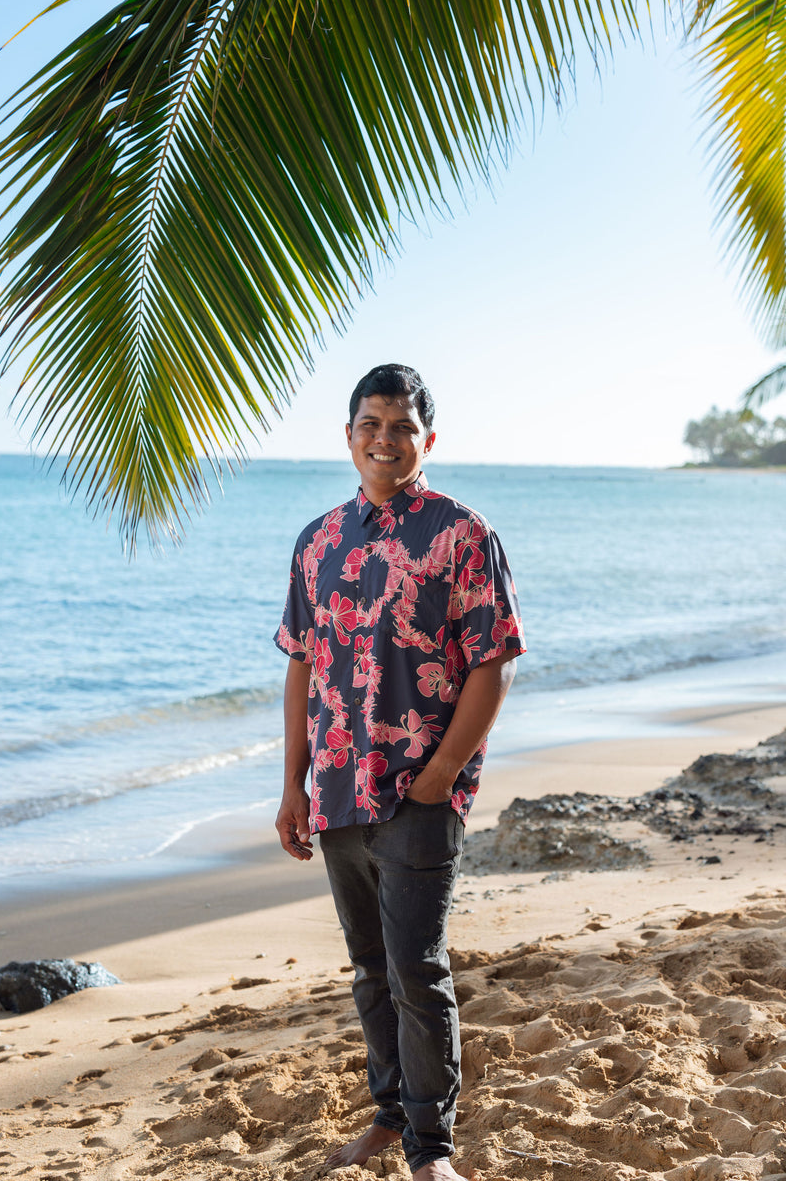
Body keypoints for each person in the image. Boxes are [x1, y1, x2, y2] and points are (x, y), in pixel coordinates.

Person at [274, 363, 525, 1180]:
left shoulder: (462, 534)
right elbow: (303, 667)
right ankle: (389, 1116)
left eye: (402, 426)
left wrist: (440, 773)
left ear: (428, 439)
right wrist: (293, 786)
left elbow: (495, 661)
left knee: (418, 967)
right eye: (370, 424)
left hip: (420, 789)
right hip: (338, 791)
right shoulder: (317, 540)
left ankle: (432, 1149)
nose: (386, 440)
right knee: (370, 967)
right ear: (349, 435)